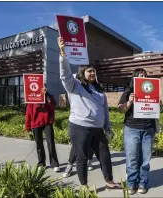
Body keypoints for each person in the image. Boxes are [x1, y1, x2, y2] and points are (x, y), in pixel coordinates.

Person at [57, 37, 121, 190]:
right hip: (80, 127)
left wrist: (108, 128)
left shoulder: (99, 90)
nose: (92, 73)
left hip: (97, 129)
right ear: (82, 72)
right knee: (82, 158)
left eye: (93, 71)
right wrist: (63, 54)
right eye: (89, 71)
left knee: (105, 156)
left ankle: (109, 182)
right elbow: (64, 75)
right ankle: (85, 186)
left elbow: (104, 110)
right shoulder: (74, 85)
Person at [117, 68, 156, 195]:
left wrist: (156, 104)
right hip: (132, 129)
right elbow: (120, 109)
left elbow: (156, 110)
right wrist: (129, 102)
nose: (143, 77)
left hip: (148, 129)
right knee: (132, 158)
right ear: (134, 78)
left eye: (145, 75)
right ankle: (131, 183)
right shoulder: (129, 91)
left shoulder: (152, 90)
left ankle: (142, 183)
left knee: (145, 159)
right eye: (140, 75)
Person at [25, 85, 60, 172]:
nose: (42, 88)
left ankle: (54, 164)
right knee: (39, 144)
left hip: (47, 122)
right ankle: (41, 163)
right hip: (35, 123)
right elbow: (28, 112)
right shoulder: (32, 97)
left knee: (51, 143)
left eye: (44, 86)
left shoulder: (48, 96)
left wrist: (47, 95)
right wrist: (27, 125)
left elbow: (53, 105)